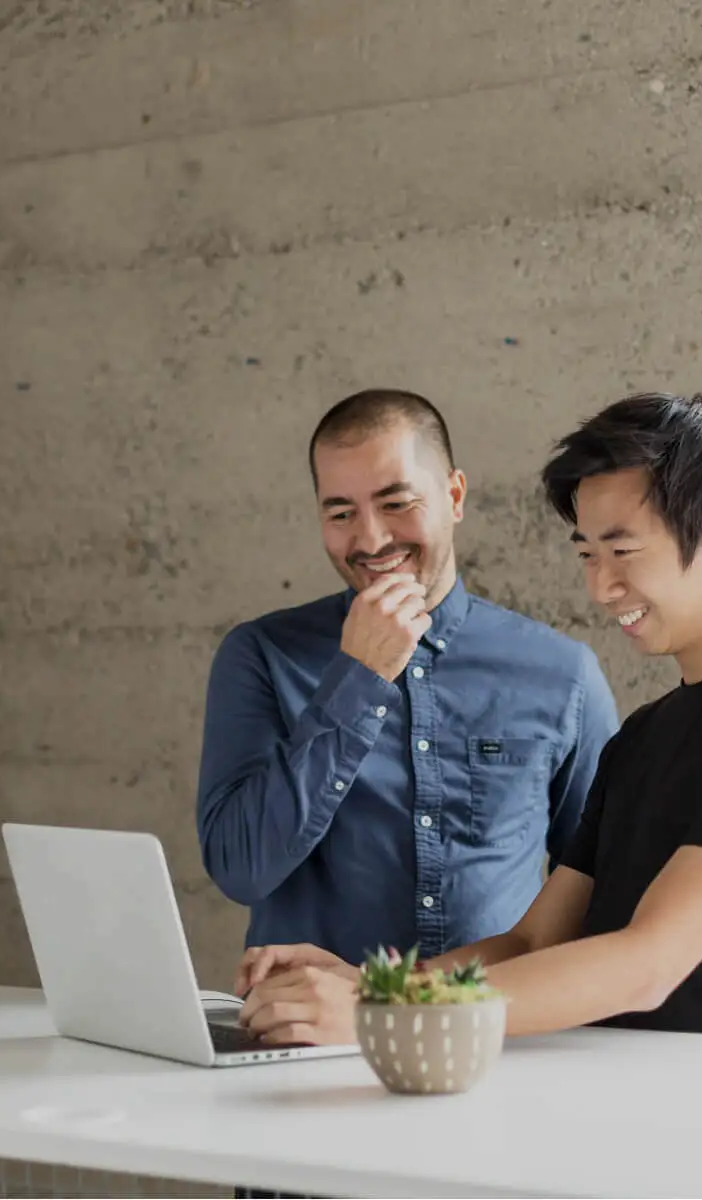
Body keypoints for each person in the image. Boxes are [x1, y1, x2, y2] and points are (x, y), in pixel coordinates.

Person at [236, 391, 702, 1044]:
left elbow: (647, 964)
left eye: (623, 551)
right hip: (598, 1096)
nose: (600, 587)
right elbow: (535, 940)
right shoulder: (642, 735)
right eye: (588, 555)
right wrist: (370, 985)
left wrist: (378, 1012)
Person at [196, 388, 620, 979]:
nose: (370, 541)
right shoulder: (262, 657)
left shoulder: (563, 674)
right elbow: (240, 869)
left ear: (454, 496)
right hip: (302, 1028)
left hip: (493, 1028)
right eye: (341, 513)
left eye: (396, 503)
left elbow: (605, 895)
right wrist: (359, 678)